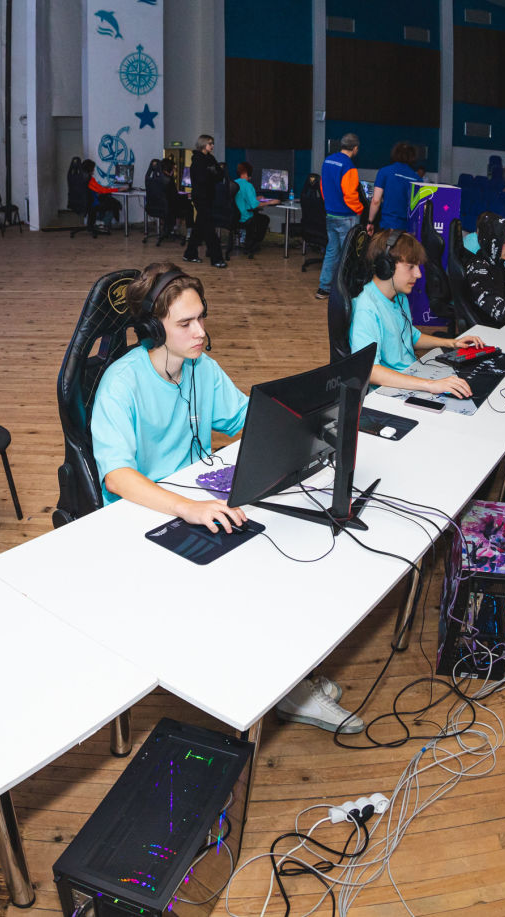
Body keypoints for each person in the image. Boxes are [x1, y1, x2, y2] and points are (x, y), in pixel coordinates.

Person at [89, 264, 363, 733]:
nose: (200, 332)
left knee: (281, 549)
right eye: (185, 323)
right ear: (154, 328)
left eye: (201, 318)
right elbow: (116, 477)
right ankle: (289, 692)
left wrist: (307, 425)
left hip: (193, 498)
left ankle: (288, 681)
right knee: (253, 574)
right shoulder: (121, 383)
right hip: (143, 514)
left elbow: (244, 419)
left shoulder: (202, 368)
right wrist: (188, 508)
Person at [349, 230, 484, 395]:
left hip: (412, 377)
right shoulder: (366, 308)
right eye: (411, 267)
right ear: (386, 266)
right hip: (389, 391)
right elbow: (371, 370)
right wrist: (430, 385)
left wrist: (452, 343)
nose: (418, 274)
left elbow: (410, 336)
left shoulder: (399, 297)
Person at [316, 134, 364, 301]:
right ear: (355, 148)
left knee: (332, 251)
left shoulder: (328, 161)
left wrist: (329, 204)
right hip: (347, 216)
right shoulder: (349, 166)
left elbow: (322, 186)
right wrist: (360, 209)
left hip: (330, 213)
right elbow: (350, 194)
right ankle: (347, 291)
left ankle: (324, 288)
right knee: (349, 255)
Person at [183, 135, 226, 268]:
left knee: (200, 226)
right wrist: (213, 173)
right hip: (200, 197)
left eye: (212, 143)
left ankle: (189, 254)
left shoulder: (210, 158)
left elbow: (220, 175)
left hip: (209, 196)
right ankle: (216, 258)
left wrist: (212, 173)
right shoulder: (197, 160)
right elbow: (203, 179)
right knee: (209, 228)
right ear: (203, 144)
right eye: (210, 143)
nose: (212, 146)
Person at [368, 141, 423, 231]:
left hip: (387, 225)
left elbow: (376, 201)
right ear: (412, 156)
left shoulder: (384, 172)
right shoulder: (418, 179)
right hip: (407, 228)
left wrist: (370, 221)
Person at [232, 162, 269, 256]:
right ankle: (252, 245)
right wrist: (271, 202)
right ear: (246, 173)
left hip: (232, 217)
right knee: (264, 219)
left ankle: (248, 242)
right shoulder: (248, 186)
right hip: (244, 218)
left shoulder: (233, 183)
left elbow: (241, 199)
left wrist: (256, 198)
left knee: (258, 218)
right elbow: (254, 205)